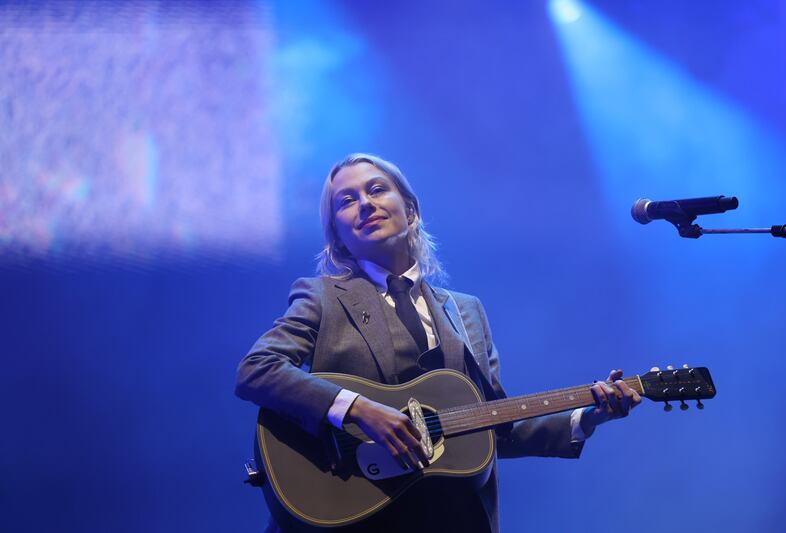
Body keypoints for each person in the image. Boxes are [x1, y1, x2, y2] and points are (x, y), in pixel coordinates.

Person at [235, 153, 641, 532]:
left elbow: (493, 426)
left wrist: (587, 418)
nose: (364, 203)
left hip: (451, 517)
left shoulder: (467, 312)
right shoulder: (321, 296)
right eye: (346, 200)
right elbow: (258, 369)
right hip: (348, 507)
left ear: (410, 210)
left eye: (376, 190)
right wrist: (358, 410)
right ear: (338, 236)